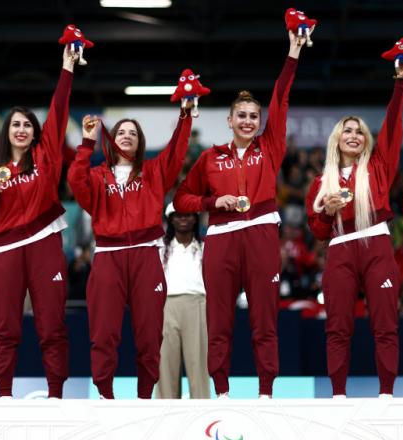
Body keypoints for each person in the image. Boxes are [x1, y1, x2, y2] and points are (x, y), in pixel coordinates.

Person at [173, 30, 308, 399]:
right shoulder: (209, 157)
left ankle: (266, 392)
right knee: (219, 321)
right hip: (220, 238)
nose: (248, 121)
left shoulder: (271, 146)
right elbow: (181, 200)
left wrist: (293, 52)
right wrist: (213, 203)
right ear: (229, 121)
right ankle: (222, 392)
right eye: (241, 116)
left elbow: (282, 96)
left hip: (262, 234)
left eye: (254, 116)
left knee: (265, 318)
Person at [67, 99, 193, 399]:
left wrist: (185, 115)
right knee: (103, 333)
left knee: (149, 334)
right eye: (121, 132)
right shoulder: (97, 177)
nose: (126, 136)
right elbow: (75, 179)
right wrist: (86, 142)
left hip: (146, 254)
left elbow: (176, 151)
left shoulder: (153, 172)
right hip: (108, 257)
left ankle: (144, 396)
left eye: (133, 133)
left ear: (140, 143)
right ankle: (105, 396)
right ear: (112, 140)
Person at [0, 48, 77, 399]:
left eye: (27, 124)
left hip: (45, 242)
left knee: (52, 326)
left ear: (35, 133)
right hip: (6, 250)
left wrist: (66, 69)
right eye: (15, 124)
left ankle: (56, 395)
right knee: (4, 328)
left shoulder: (47, 156)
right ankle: (3, 395)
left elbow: (59, 111)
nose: (21, 129)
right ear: (7, 131)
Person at [304, 63, 403, 399]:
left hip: (377, 245)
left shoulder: (378, 168)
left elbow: (393, 127)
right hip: (341, 251)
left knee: (385, 325)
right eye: (347, 131)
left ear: (366, 140)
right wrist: (327, 211)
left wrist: (400, 85)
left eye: (359, 131)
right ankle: (338, 396)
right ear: (338, 139)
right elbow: (319, 231)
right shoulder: (321, 183)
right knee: (337, 327)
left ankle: (387, 394)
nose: (353, 135)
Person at [155, 203, 209, 399]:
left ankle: (203, 414)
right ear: (170, 220)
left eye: (188, 215)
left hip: (198, 305)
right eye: (178, 216)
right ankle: (164, 414)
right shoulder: (160, 249)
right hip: (166, 306)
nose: (183, 219)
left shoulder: (205, 248)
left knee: (198, 364)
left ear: (195, 218)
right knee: (165, 365)